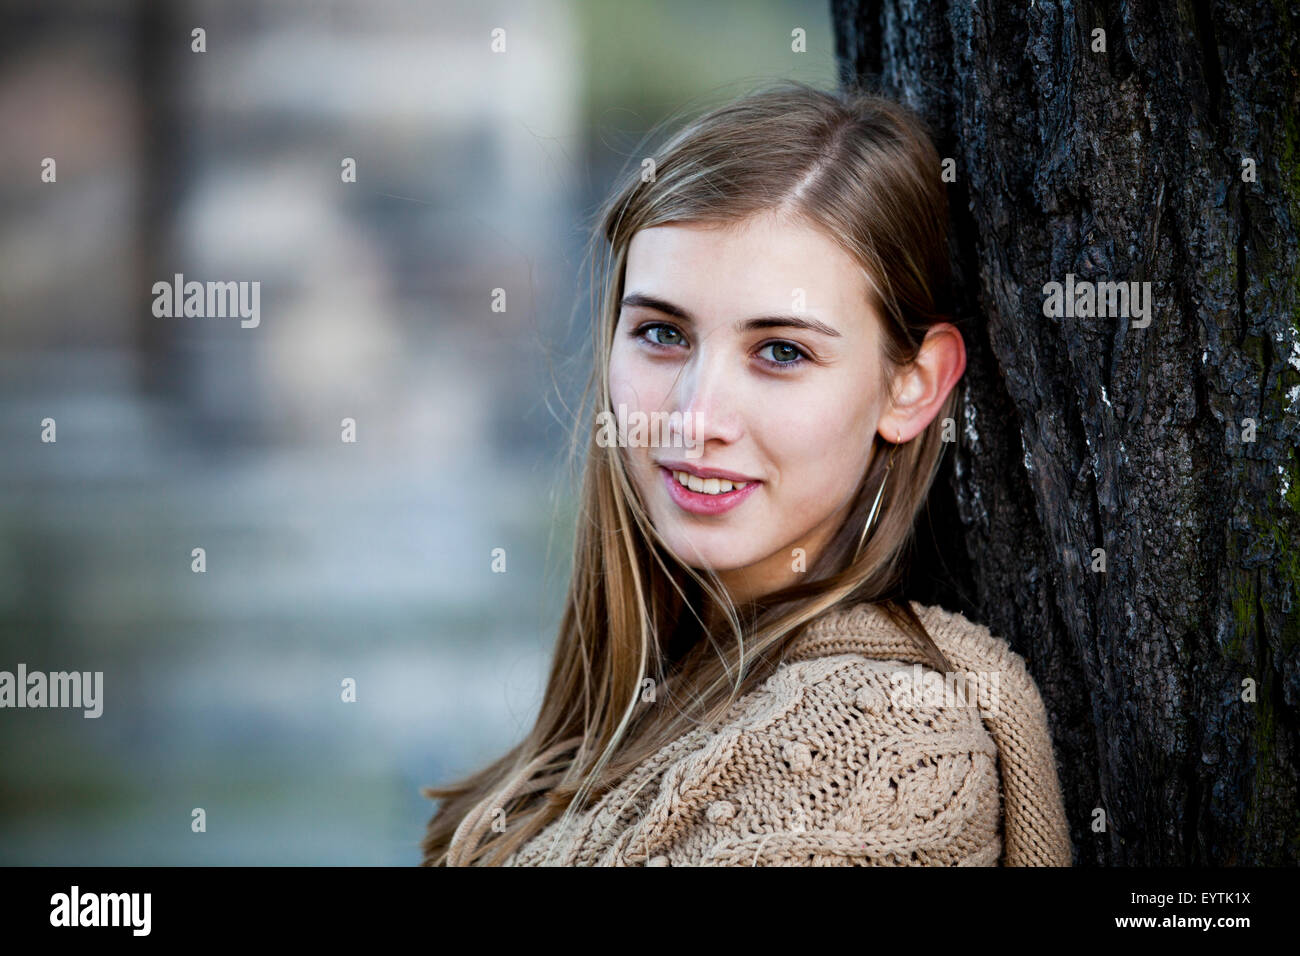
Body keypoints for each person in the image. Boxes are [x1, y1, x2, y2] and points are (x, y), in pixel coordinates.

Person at [419, 80, 1072, 866]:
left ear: (913, 386)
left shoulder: (877, 747)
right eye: (662, 333)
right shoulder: (658, 693)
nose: (695, 416)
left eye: (782, 352)